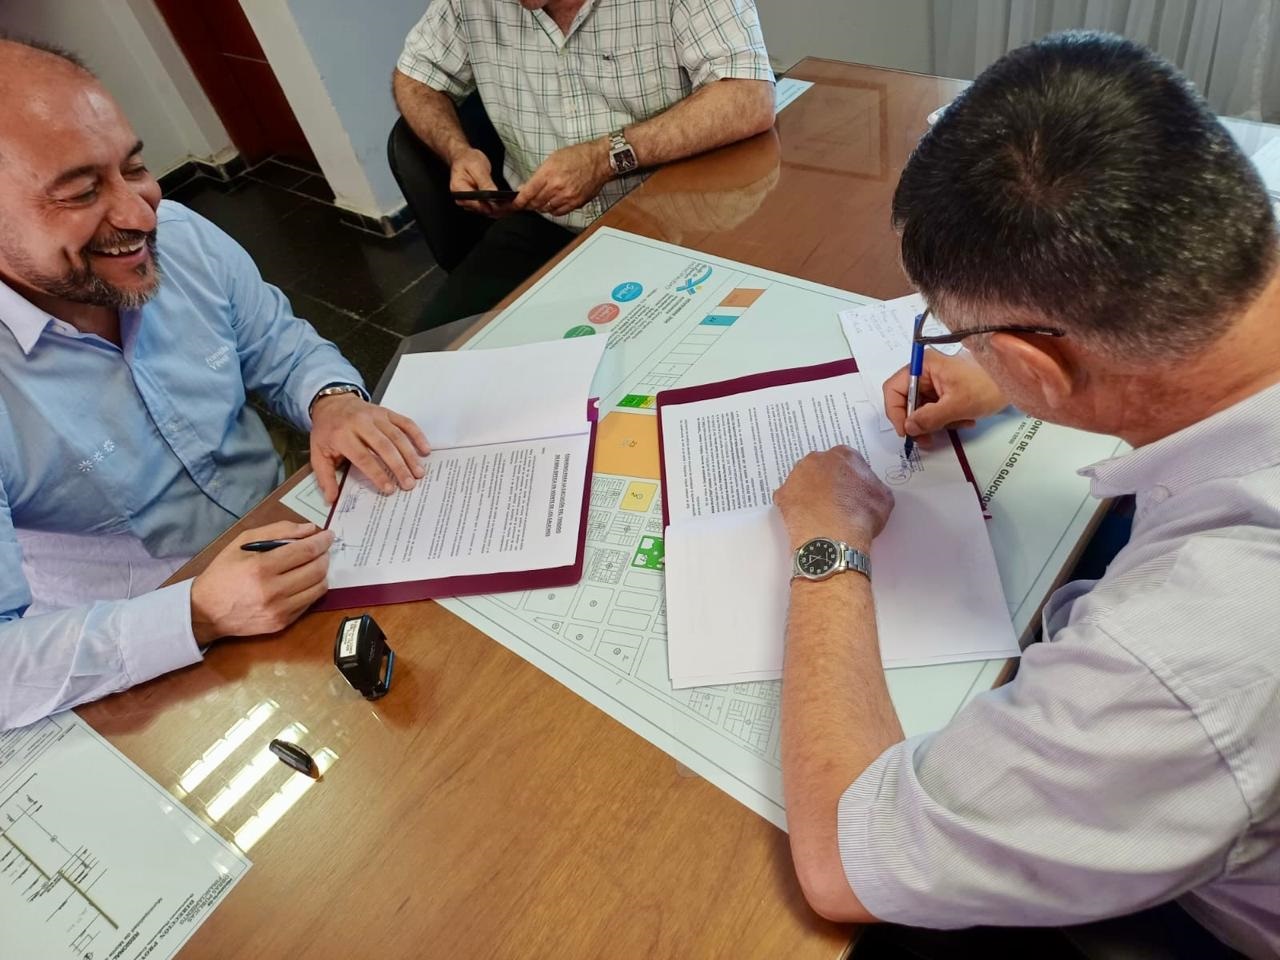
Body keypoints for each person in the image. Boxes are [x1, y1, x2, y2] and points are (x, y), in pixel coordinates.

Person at [772, 32, 1279, 960]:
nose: (953, 350)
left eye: (959, 335)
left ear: (1043, 360)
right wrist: (1011, 377)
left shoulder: (1180, 652)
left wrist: (826, 542)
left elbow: (845, 860)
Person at [0, 38, 431, 731]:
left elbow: (278, 345)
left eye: (134, 167)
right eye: (82, 193)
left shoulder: (181, 235)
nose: (142, 214)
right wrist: (195, 612)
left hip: (306, 538)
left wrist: (331, 400)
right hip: (141, 653)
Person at [391, 0, 776, 329]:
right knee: (430, 364)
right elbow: (415, 78)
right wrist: (457, 150)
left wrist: (607, 156)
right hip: (543, 226)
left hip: (676, 214)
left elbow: (749, 95)